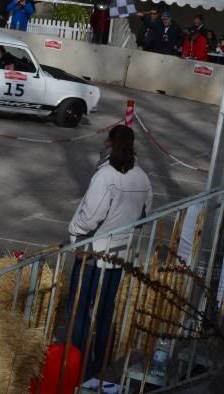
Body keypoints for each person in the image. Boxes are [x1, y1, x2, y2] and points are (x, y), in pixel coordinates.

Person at [67, 125, 153, 378]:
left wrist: (75, 231)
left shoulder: (106, 175)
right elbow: (145, 213)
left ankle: (77, 365)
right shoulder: (142, 177)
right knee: (105, 312)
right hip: (119, 254)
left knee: (80, 310)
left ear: (109, 143)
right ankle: (99, 365)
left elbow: (92, 215)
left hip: (94, 253)